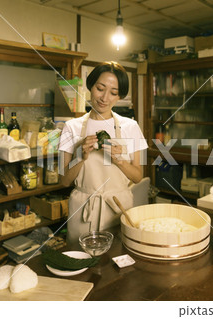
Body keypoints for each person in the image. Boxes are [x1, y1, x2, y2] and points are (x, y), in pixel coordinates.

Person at [58, 61, 148, 244]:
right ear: (91, 86)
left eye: (113, 93)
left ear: (119, 96)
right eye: (100, 88)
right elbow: (64, 180)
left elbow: (138, 176)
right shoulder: (71, 127)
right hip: (83, 211)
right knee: (81, 264)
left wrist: (120, 161)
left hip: (118, 208)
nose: (104, 98)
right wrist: (79, 157)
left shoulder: (130, 127)